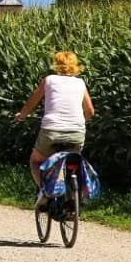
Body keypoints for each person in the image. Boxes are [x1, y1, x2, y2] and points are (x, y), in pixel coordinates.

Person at [15, 50, 96, 205]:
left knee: (35, 161)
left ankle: (45, 191)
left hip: (51, 130)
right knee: (73, 161)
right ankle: (75, 198)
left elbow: (32, 102)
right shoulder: (80, 83)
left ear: (57, 64)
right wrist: (80, 121)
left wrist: (22, 115)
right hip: (77, 132)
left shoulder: (49, 80)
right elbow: (90, 111)